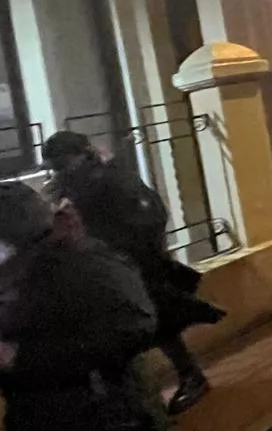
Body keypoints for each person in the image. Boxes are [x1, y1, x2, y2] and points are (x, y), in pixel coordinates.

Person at [0, 182, 178, 431]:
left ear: (26, 235)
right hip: (37, 428)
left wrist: (17, 357)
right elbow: (9, 343)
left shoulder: (89, 264)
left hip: (110, 427)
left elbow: (132, 329)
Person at [41, 130, 223, 416]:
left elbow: (149, 215)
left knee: (155, 323)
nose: (58, 171)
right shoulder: (71, 185)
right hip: (98, 268)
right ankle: (135, 396)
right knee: (121, 331)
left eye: (63, 163)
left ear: (80, 155)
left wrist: (134, 254)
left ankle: (185, 379)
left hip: (128, 265)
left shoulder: (110, 178)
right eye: (55, 166)